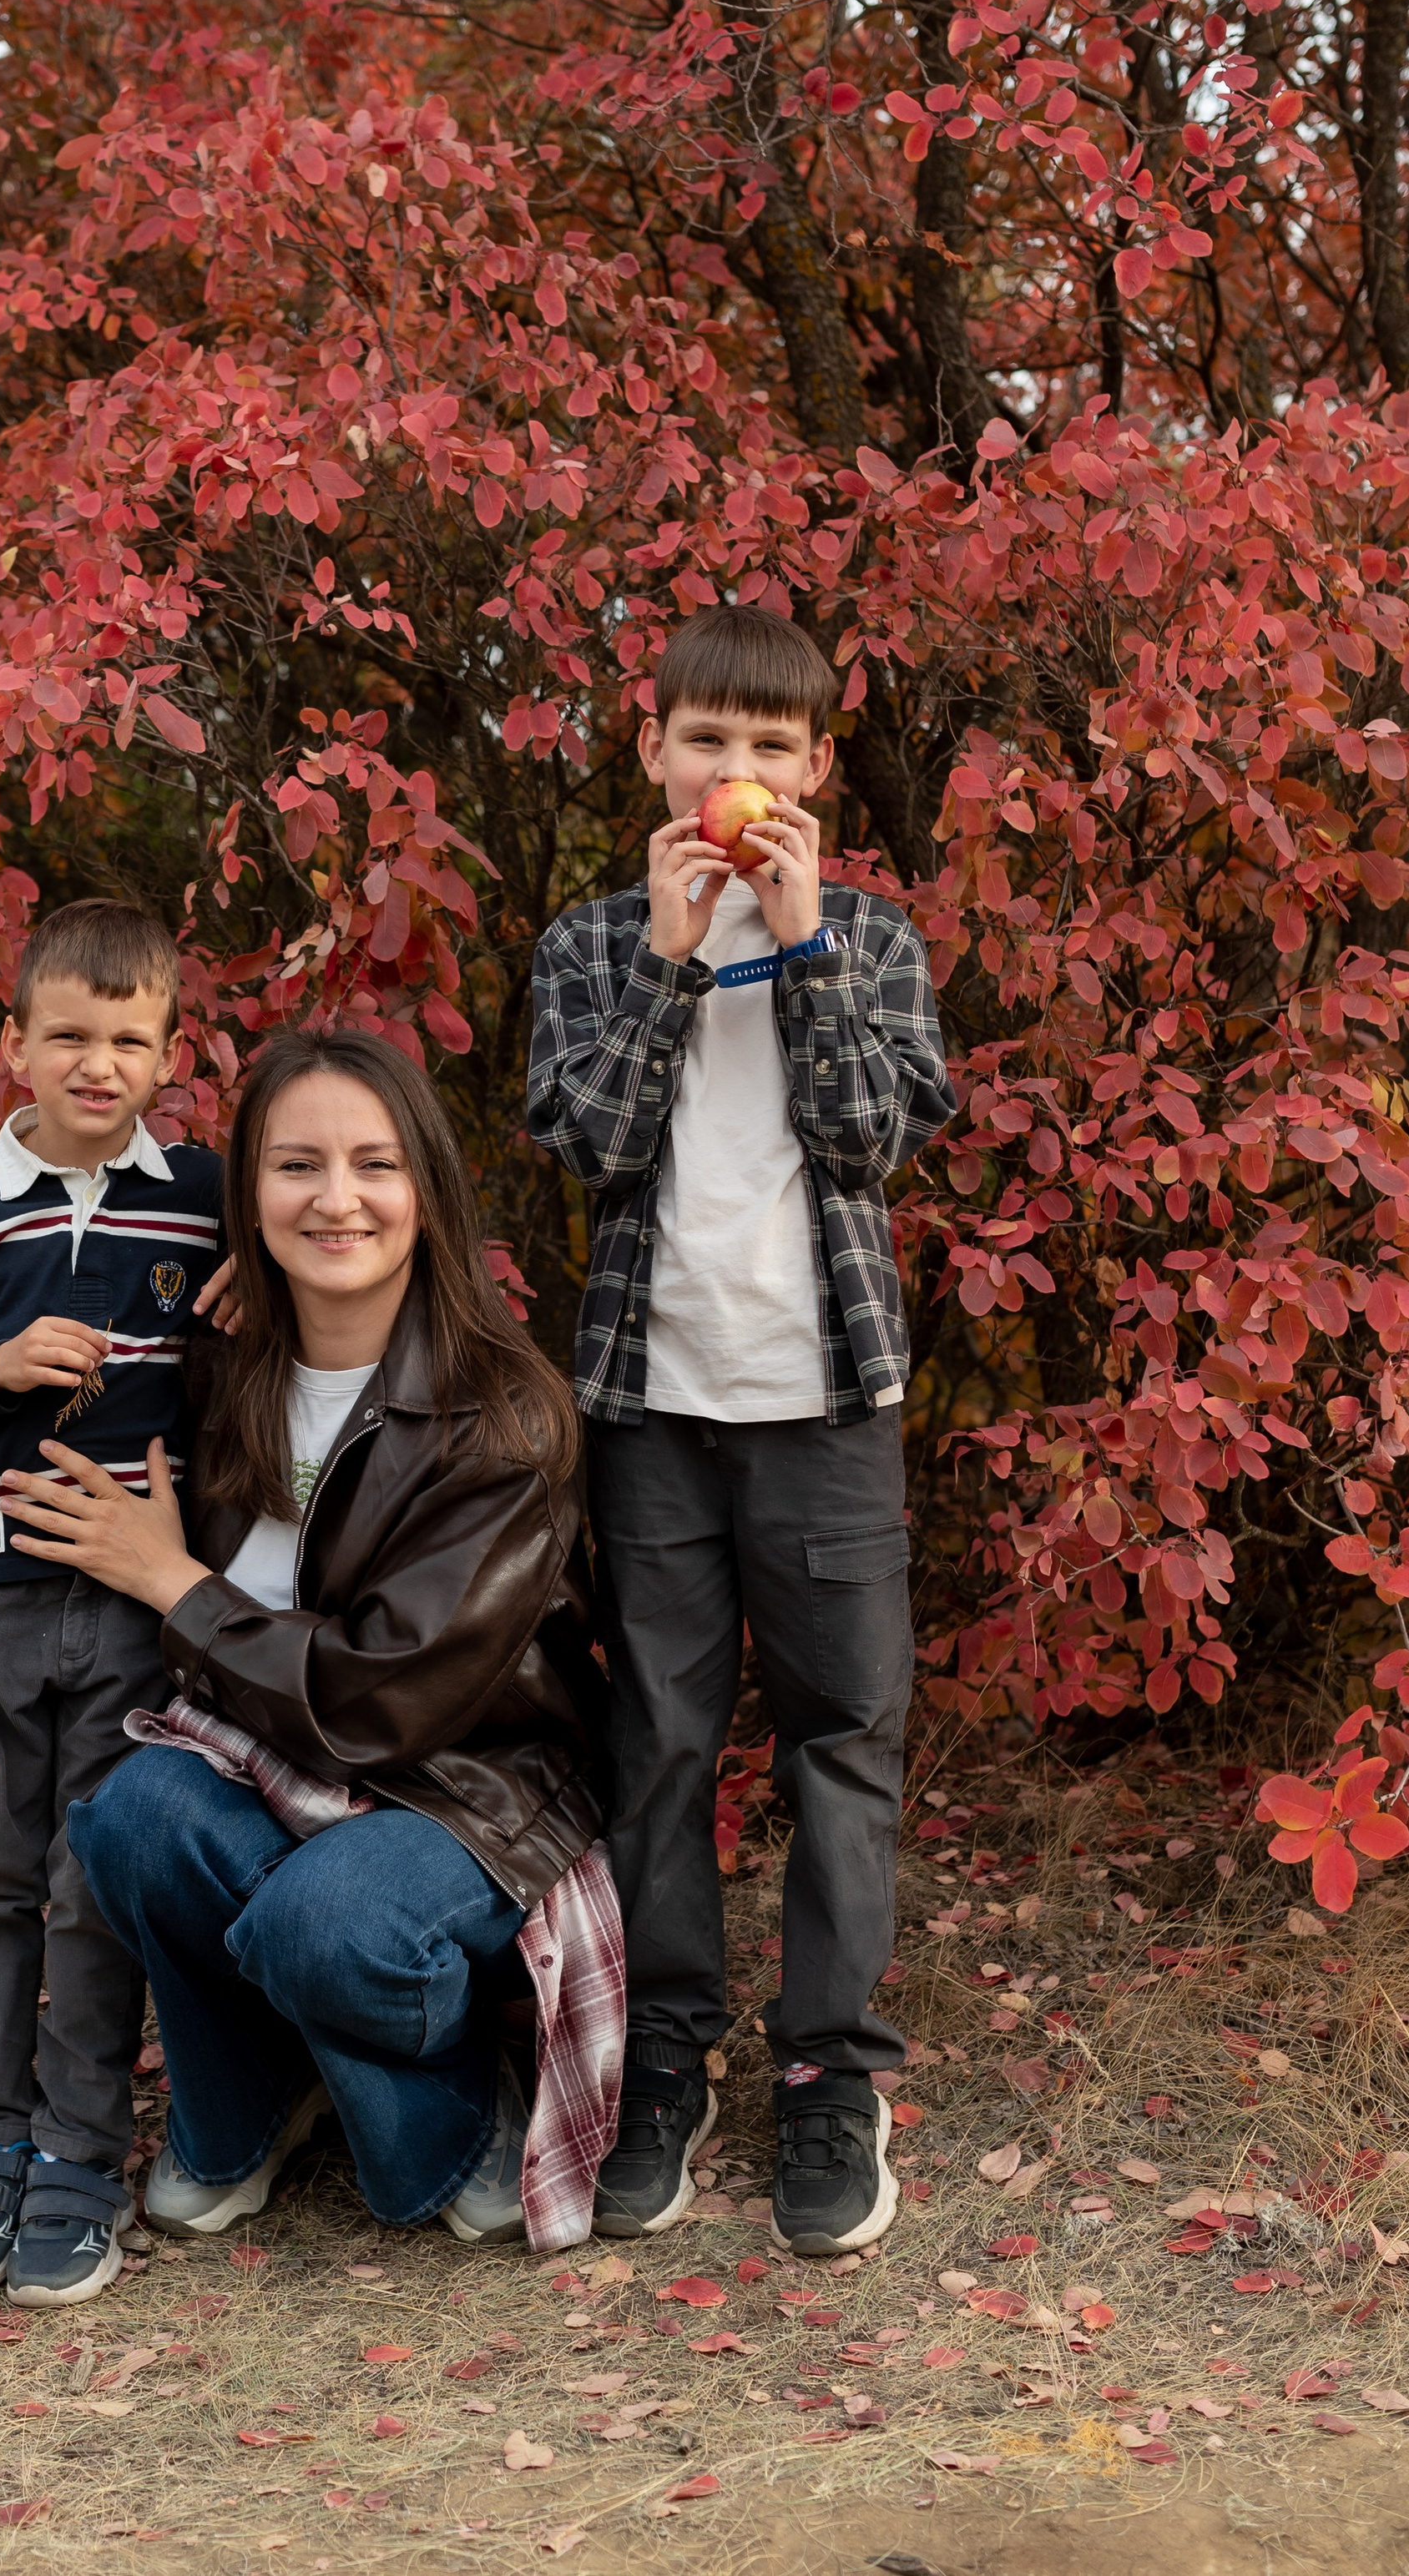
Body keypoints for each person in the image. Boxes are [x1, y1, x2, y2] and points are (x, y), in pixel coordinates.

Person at [4, 1029, 610, 2249]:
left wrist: (175, 1583)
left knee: (324, 1922)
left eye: (375, 1164)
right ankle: (250, 2109)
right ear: (249, 1196)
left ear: (428, 1190)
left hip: (461, 1793)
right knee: (132, 1816)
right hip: (268, 1766)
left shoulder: (506, 1417)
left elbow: (382, 1703)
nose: (337, 1200)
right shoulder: (214, 1368)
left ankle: (456, 2123)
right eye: (297, 1166)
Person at [527, 603, 956, 2255]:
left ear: (816, 768)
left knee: (841, 1741)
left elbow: (866, 1138)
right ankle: (666, 2061)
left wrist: (801, 946)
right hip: (653, 1413)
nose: (735, 767)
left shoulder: (867, 937)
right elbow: (591, 1141)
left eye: (769, 744)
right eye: (706, 737)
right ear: (653, 750)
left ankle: (832, 2074)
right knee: (657, 1744)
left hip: (823, 1410)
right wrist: (665, 954)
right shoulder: (590, 944)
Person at [0, 900, 225, 2307]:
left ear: (168, 1055)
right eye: (68, 1035)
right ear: (13, 1044)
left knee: (92, 1879)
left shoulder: (194, 1196)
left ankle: (81, 2149)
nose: (98, 1063)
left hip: (131, 1595)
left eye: (129, 1041)